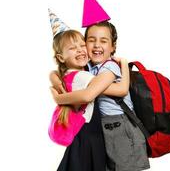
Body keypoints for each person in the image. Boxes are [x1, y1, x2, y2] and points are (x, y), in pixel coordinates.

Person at [51, 20, 150, 171]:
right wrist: (53, 76)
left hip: (121, 127)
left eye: (103, 41)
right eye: (91, 40)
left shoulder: (109, 67)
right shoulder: (89, 67)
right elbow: (61, 71)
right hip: (104, 127)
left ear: (113, 47)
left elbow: (112, 91)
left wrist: (59, 98)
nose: (97, 45)